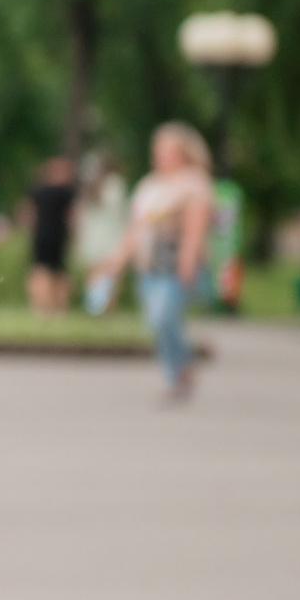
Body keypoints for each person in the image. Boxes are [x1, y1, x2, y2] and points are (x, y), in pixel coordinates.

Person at [90, 122, 215, 401]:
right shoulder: (149, 185)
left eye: (167, 150)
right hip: (149, 264)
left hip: (176, 262)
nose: (160, 155)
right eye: (158, 150)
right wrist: (115, 261)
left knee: (165, 317)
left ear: (182, 153)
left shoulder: (193, 182)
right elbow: (135, 230)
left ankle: (178, 372)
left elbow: (196, 227)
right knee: (155, 323)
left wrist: (188, 262)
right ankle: (179, 371)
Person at [25, 156, 79, 314]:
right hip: (58, 237)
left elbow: (30, 214)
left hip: (41, 236)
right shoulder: (67, 193)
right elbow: (72, 216)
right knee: (59, 273)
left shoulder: (38, 191)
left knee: (40, 271)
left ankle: (40, 308)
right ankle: (58, 308)